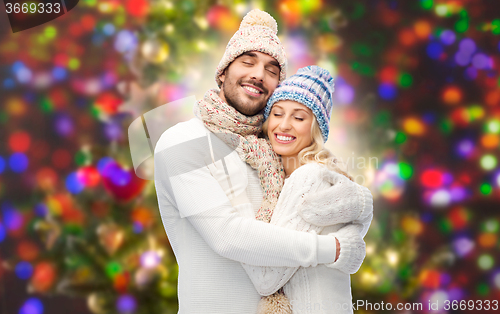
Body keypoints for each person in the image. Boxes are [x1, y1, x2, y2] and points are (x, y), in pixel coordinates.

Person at [153, 9, 370, 313]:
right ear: (223, 71)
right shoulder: (182, 142)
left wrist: (358, 207)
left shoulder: (274, 149)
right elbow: (228, 236)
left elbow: (315, 208)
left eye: (271, 69)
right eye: (247, 61)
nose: (258, 74)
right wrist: (334, 249)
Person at [203, 66, 373, 314]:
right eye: (277, 113)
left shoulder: (308, 177)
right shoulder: (296, 175)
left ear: (316, 129)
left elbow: (266, 279)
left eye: (299, 117)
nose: (283, 125)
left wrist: (236, 205)